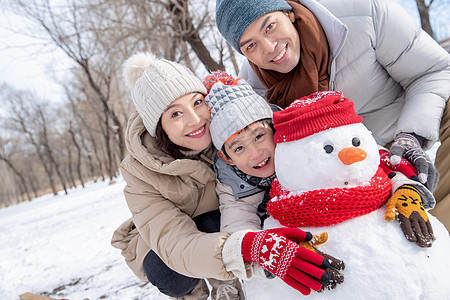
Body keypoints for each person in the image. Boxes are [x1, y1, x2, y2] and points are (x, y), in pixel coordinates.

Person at [111, 52, 335, 299]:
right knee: (171, 276)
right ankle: (195, 289)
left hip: (225, 217)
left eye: (197, 102)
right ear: (158, 127)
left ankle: (221, 277)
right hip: (164, 240)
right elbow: (174, 244)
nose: (195, 120)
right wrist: (245, 250)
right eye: (175, 114)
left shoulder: (229, 123)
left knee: (227, 218)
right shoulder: (140, 172)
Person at [215, 0, 450, 231]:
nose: (269, 47)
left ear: (288, 12)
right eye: (250, 46)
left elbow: (434, 71)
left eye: (269, 26)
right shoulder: (256, 91)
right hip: (343, 160)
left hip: (405, 117)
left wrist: (411, 135)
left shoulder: (365, 14)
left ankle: (441, 233)